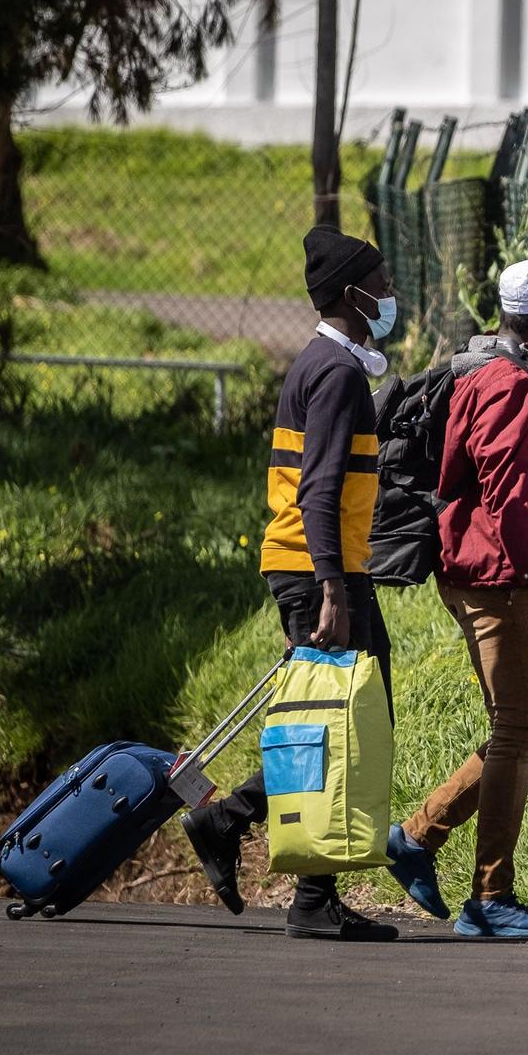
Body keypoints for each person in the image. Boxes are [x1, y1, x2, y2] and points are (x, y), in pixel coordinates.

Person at [180, 226, 403, 943]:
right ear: (351, 293)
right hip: (321, 568)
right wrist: (333, 587)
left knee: (340, 721)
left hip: (315, 563)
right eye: (383, 281)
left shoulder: (318, 363)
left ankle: (300, 882)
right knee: (343, 720)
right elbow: (319, 488)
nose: (392, 293)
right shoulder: (336, 374)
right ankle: (244, 835)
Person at [382, 259, 528, 939]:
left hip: (507, 573)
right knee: (518, 729)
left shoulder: (498, 366)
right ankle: (489, 899)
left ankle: (417, 838)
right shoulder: (508, 383)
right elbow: (513, 494)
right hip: (502, 579)